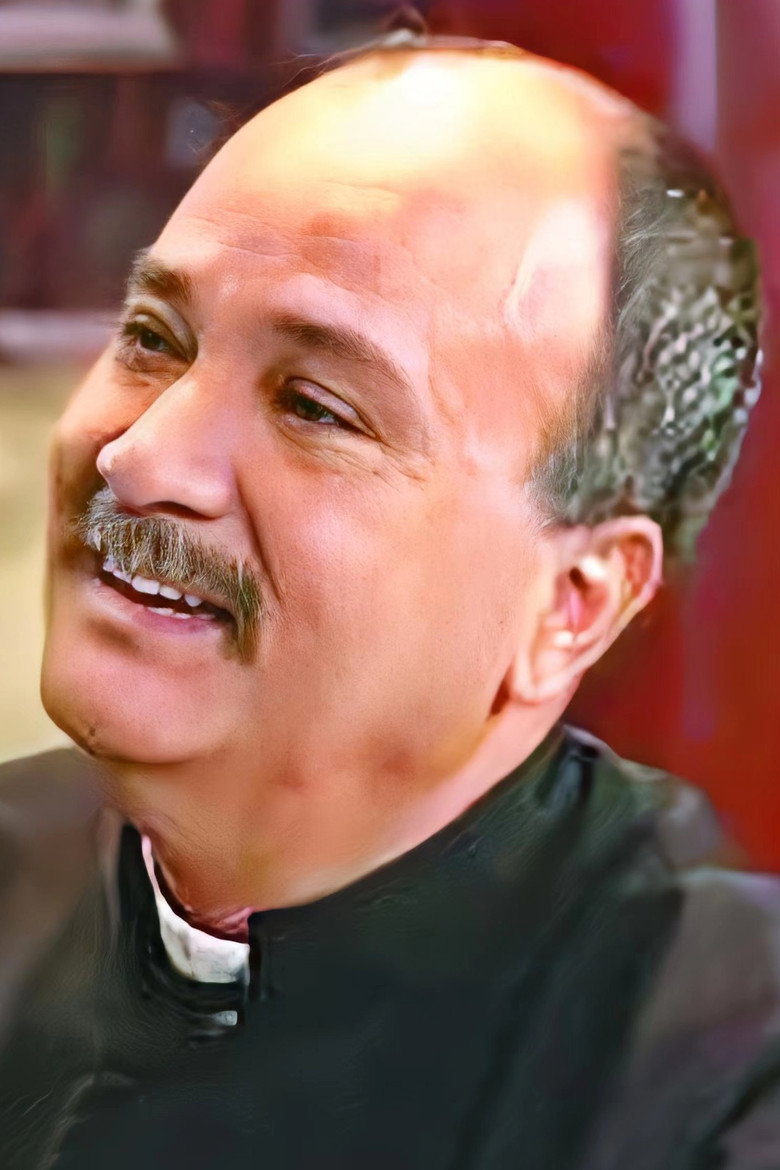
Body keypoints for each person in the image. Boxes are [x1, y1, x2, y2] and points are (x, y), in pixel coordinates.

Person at [0, 26, 775, 1170]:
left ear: (571, 602)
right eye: (155, 339)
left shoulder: (720, 1074)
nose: (141, 457)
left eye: (313, 406)